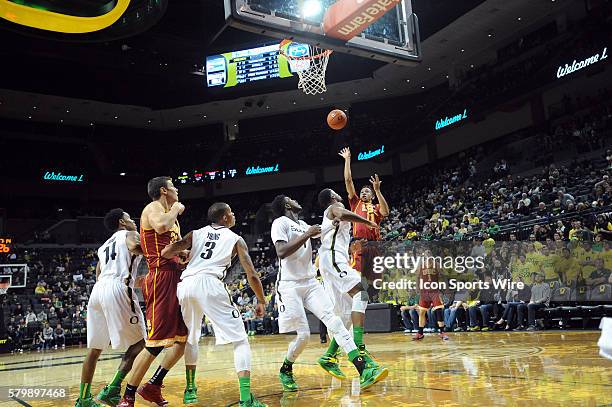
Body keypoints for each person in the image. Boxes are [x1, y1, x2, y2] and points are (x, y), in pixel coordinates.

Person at [270, 195, 385, 392]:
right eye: (292, 199)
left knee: (335, 321)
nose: (299, 201)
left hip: (310, 282)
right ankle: (286, 368)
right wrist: (307, 234)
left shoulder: (304, 223)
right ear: (287, 204)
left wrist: (333, 223)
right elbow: (281, 251)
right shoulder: (280, 223)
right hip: (289, 285)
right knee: (304, 336)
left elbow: (323, 231)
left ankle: (363, 368)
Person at [162, 202, 268, 407]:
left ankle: (190, 390)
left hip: (186, 284)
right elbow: (252, 274)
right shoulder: (236, 239)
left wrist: (183, 254)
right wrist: (261, 300)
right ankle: (246, 399)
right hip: (210, 284)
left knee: (191, 337)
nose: (234, 214)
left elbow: (168, 252)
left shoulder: (196, 233)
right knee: (240, 340)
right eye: (232, 212)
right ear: (225, 218)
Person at [118, 177, 191, 407]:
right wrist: (177, 211)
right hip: (161, 277)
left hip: (176, 274)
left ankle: (153, 386)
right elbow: (160, 227)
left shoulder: (170, 216)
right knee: (154, 343)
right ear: (163, 190)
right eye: (174, 186)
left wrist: (184, 254)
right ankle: (127, 396)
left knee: (183, 340)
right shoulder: (153, 208)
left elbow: (172, 245)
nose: (177, 190)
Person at [316, 188, 388, 386]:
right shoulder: (335, 207)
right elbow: (342, 211)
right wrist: (366, 221)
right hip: (333, 260)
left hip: (332, 261)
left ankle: (329, 356)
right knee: (362, 294)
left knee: (346, 315)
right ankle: (359, 347)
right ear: (332, 197)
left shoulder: (332, 217)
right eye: (335, 193)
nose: (339, 195)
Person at [75, 209, 146, 407]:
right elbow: (135, 246)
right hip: (117, 287)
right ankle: (113, 389)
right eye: (130, 218)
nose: (133, 221)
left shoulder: (103, 246)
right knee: (143, 342)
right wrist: (160, 254)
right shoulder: (129, 234)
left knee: (94, 349)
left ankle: (84, 399)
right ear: (122, 222)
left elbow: (100, 273)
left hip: (98, 291)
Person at [338, 147, 389, 285]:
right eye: (362, 191)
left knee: (375, 282)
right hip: (359, 244)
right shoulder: (355, 203)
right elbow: (348, 180)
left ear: (372, 196)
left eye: (367, 191)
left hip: (374, 245)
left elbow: (385, 213)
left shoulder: (376, 207)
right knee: (357, 277)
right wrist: (347, 159)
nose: (363, 193)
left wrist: (377, 190)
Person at [413, 250, 449, 341]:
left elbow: (443, 275)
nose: (428, 254)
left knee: (438, 310)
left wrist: (445, 287)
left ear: (432, 255)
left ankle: (442, 332)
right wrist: (417, 287)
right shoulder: (421, 265)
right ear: (424, 256)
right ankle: (420, 333)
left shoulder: (436, 264)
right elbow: (417, 277)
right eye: (426, 253)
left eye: (429, 253)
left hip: (434, 290)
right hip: (424, 291)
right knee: (421, 312)